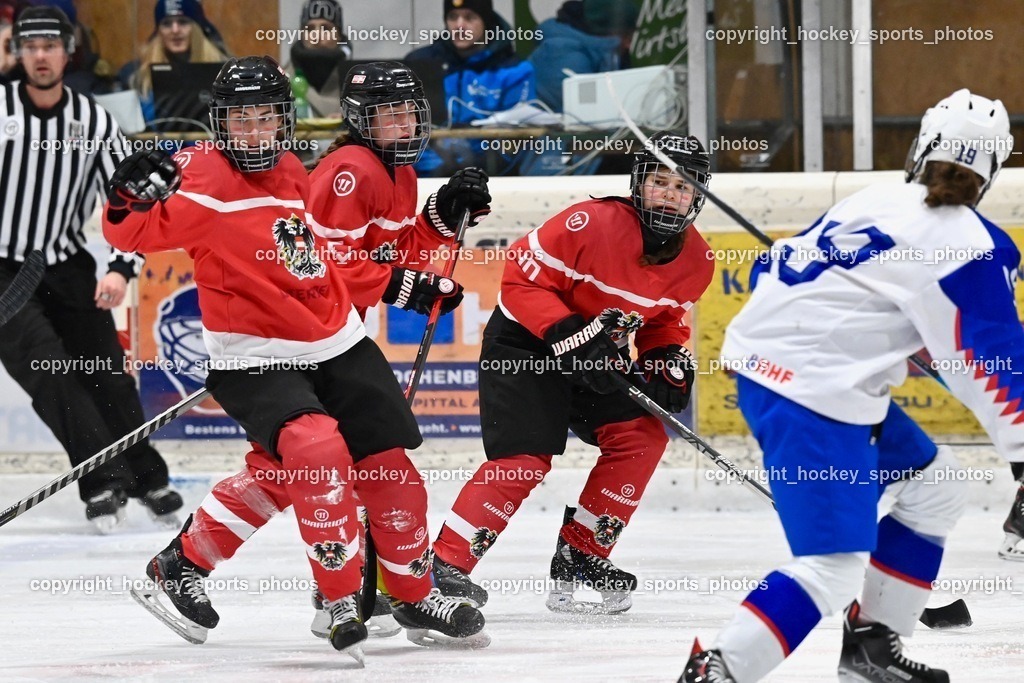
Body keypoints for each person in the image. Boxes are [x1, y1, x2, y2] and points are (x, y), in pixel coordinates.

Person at [103, 56, 488, 656]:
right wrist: (126, 193)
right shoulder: (199, 174)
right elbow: (130, 232)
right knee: (315, 449)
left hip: (333, 340)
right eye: (241, 121)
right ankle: (337, 597)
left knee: (385, 467)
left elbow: (334, 253)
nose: (254, 133)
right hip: (254, 353)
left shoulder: (289, 168)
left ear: (285, 121)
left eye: (267, 118)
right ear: (219, 124)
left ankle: (409, 591)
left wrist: (432, 228)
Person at [681, 89, 1018, 683]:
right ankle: (718, 672)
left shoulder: (877, 198)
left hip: (790, 374)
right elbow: (992, 361)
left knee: (935, 487)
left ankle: (871, 648)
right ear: (992, 170)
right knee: (832, 566)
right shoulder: (975, 244)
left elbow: (771, 267)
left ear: (921, 147)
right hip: (814, 392)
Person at [429, 132, 716, 614]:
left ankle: (582, 554)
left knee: (643, 436)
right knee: (524, 459)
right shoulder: (591, 223)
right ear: (638, 184)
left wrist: (664, 357)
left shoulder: (699, 261)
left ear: (697, 196)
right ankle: (442, 566)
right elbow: (519, 277)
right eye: (660, 182)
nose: (670, 194)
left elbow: (663, 320)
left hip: (595, 354)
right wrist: (567, 332)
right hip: (526, 344)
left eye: (682, 186)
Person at [0, 5, 183, 532]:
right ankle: (103, 480)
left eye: (49, 46)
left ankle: (147, 477)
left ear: (67, 51)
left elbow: (134, 197)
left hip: (64, 263)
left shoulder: (94, 120)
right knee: (50, 373)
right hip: (5, 271)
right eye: (30, 46)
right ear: (18, 52)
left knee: (107, 372)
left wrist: (122, 268)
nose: (40, 56)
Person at [405, 0, 535, 176]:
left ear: (486, 21)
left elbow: (519, 137)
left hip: (490, 175)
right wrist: (434, 162)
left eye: (469, 17)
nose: (459, 25)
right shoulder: (421, 63)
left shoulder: (514, 70)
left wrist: (475, 164)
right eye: (453, 17)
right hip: (427, 173)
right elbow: (404, 126)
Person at [116, 0, 229, 125]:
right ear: (158, 31)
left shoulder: (224, 71)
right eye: (166, 24)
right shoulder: (136, 75)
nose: (175, 30)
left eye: (183, 22)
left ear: (198, 27)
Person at [528, 0, 639, 114]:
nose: (628, 45)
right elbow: (585, 116)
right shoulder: (565, 54)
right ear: (607, 32)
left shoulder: (609, 53)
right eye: (626, 36)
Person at [284, 0, 352, 118]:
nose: (316, 35)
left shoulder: (355, 83)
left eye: (326, 28)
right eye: (309, 29)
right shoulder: (283, 81)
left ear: (339, 35)